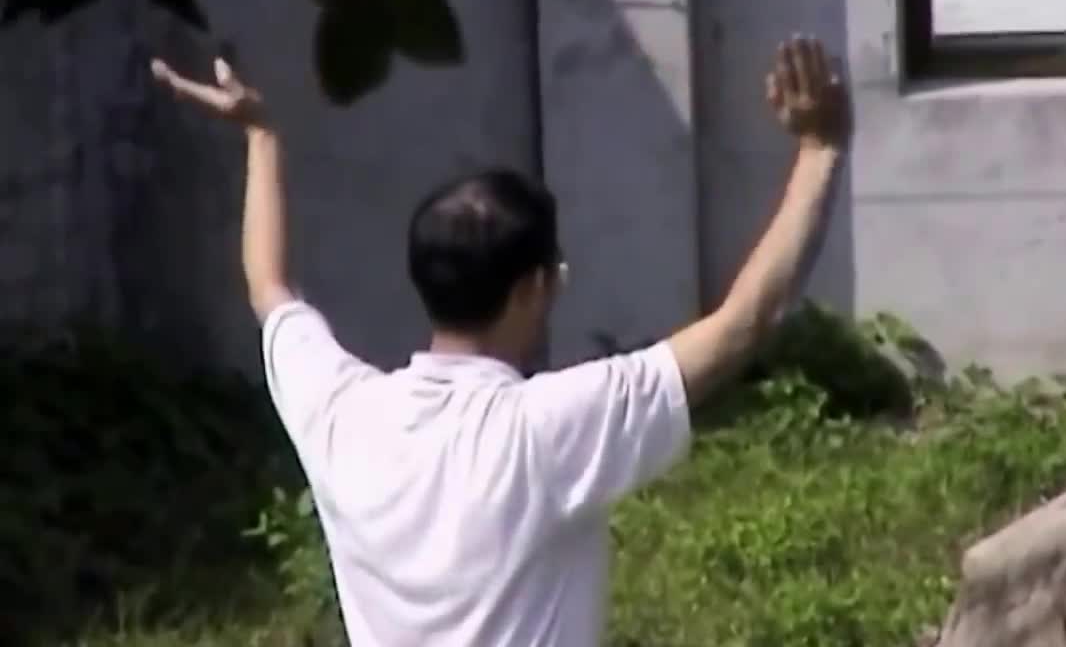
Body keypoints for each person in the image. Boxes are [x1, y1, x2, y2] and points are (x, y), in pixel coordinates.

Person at [150, 34, 850, 647]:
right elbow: (743, 323)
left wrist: (262, 137)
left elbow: (270, 289)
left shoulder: (343, 415)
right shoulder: (547, 431)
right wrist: (820, 149)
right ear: (530, 290)